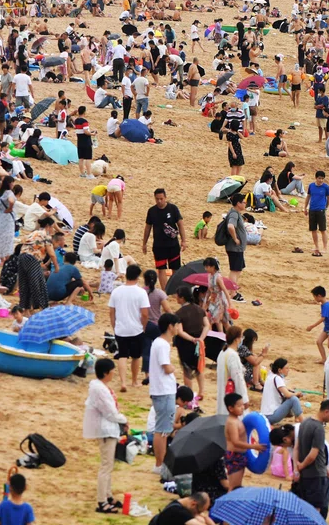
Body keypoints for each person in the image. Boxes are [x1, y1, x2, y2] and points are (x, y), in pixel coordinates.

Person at [83, 357, 128, 514]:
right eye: (112, 371)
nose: (114, 373)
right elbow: (110, 413)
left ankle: (108, 496)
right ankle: (102, 501)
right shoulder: (100, 390)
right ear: (105, 373)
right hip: (106, 430)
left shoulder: (99, 387)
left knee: (108, 466)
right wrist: (124, 419)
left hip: (107, 429)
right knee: (106, 466)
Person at [294, 400, 329, 518]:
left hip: (306, 474)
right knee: (315, 510)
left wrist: (298, 467)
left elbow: (297, 448)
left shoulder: (304, 422)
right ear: (327, 412)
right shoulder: (319, 428)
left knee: (304, 507)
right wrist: (302, 465)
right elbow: (314, 454)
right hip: (316, 475)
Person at [109, 264, 150, 392]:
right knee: (136, 356)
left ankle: (123, 382)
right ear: (138, 277)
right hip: (136, 329)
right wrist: (143, 326)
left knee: (122, 355)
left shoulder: (117, 291)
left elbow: (111, 312)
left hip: (121, 328)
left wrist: (114, 325)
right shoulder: (141, 292)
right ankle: (134, 380)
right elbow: (144, 314)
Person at [149, 313, 180, 476]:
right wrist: (174, 368)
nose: (177, 328)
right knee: (162, 431)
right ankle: (159, 464)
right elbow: (166, 367)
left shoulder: (159, 343)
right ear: (170, 326)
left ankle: (160, 463)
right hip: (163, 390)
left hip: (161, 390)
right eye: (176, 325)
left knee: (162, 429)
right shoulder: (162, 344)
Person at [143, 188, 187, 289]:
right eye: (157, 199)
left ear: (165, 198)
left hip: (173, 245)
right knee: (161, 269)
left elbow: (180, 224)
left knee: (175, 268)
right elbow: (148, 228)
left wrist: (184, 240)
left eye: (161, 199)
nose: (159, 201)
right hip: (158, 246)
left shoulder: (173, 209)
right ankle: (165, 290)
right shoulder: (152, 211)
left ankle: (174, 289)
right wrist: (144, 243)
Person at [261, 358, 304, 423]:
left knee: (292, 395)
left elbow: (283, 389)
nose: (288, 370)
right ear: (280, 370)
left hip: (265, 415)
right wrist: (297, 393)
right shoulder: (277, 378)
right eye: (286, 368)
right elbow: (287, 395)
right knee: (294, 399)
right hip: (271, 416)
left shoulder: (270, 375)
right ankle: (303, 421)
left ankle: (297, 418)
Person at [216, 326, 247, 416]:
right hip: (233, 395)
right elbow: (238, 379)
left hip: (223, 391)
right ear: (237, 339)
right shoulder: (232, 355)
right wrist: (244, 398)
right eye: (241, 337)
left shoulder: (222, 352)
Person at [148, 493, 215, 525]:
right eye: (199, 512)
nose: (199, 514)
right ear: (193, 504)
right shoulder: (179, 512)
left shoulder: (178, 503)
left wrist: (205, 517)